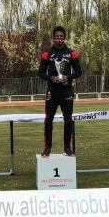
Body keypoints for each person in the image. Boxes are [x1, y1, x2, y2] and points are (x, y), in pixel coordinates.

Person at [38, 26, 82, 157]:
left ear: (64, 38)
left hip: (67, 91)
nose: (59, 39)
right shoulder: (47, 53)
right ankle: (47, 148)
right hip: (52, 91)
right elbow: (40, 72)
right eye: (56, 37)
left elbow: (79, 71)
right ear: (53, 38)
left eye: (61, 37)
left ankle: (67, 148)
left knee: (68, 119)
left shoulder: (71, 53)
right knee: (48, 119)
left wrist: (67, 77)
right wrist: (51, 78)